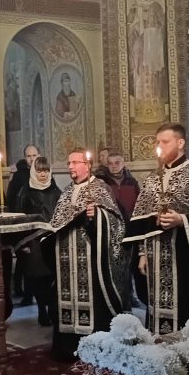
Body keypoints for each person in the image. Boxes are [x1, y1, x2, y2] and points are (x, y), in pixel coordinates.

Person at [124, 123, 189, 334]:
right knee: (157, 303)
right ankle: (158, 341)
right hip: (156, 257)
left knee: (185, 303)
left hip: (184, 257)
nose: (159, 146)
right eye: (157, 142)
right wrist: (143, 254)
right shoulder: (152, 179)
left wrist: (182, 220)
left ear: (180, 143)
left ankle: (186, 341)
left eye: (165, 141)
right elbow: (141, 219)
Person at [45, 149, 125, 360]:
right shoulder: (66, 192)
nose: (70, 166)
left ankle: (93, 346)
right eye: (69, 162)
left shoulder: (100, 188)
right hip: (66, 260)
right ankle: (66, 347)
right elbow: (56, 223)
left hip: (90, 261)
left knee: (92, 303)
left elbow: (117, 224)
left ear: (87, 165)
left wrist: (97, 216)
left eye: (75, 162)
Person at [18, 156, 61, 327]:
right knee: (38, 278)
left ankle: (51, 309)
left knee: (51, 277)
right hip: (33, 241)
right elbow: (19, 219)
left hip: (52, 239)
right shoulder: (25, 192)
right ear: (33, 172)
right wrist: (23, 243)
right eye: (39, 171)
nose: (43, 174)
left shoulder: (56, 191)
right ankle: (42, 310)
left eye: (45, 170)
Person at [105, 150, 145, 310]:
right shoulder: (103, 182)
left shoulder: (132, 182)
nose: (114, 166)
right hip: (112, 231)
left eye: (117, 163)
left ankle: (132, 296)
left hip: (131, 230)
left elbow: (139, 204)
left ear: (123, 163)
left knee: (132, 266)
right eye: (110, 163)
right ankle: (119, 299)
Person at [6, 144, 40, 302]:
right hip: (23, 221)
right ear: (25, 157)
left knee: (36, 259)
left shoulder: (43, 171)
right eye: (28, 156)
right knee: (23, 258)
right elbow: (12, 198)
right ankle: (23, 292)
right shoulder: (19, 175)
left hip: (38, 221)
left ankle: (36, 293)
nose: (32, 159)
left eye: (34, 155)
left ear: (39, 155)